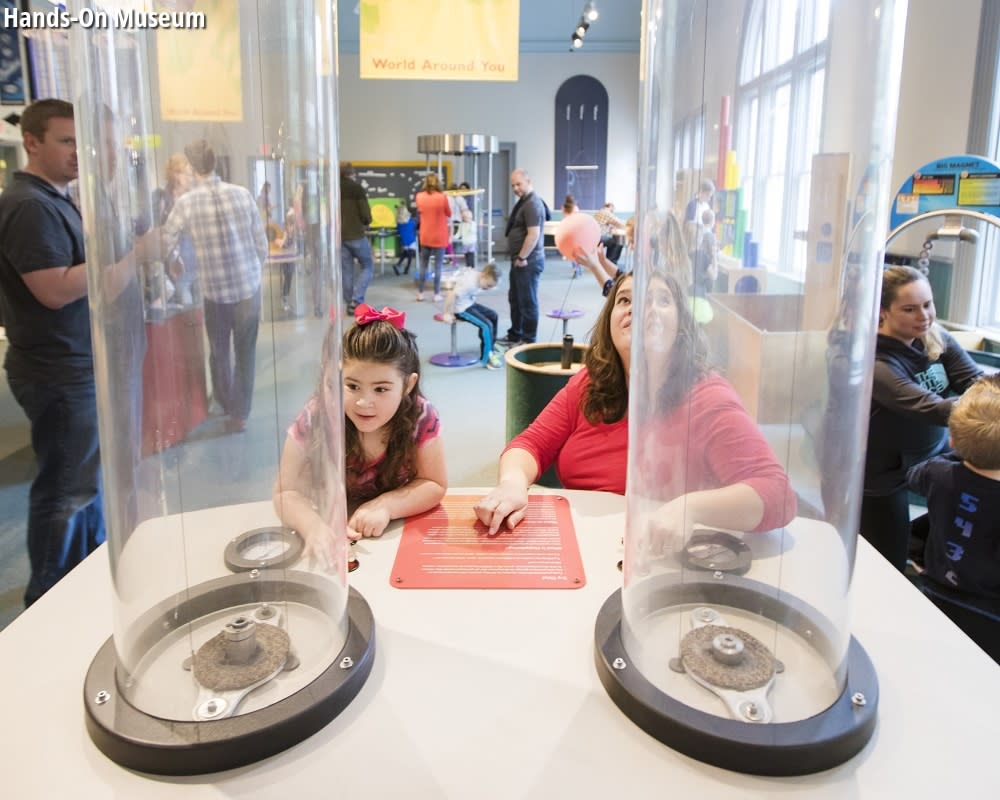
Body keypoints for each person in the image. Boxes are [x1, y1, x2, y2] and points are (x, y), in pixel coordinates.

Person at [474, 271, 796, 540]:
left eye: (661, 300)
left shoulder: (706, 397)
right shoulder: (589, 383)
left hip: (661, 567)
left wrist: (690, 509)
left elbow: (777, 495)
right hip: (586, 545)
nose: (639, 308)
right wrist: (513, 483)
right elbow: (530, 444)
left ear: (682, 325)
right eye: (626, 299)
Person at [0, 99, 151, 605]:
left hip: (73, 364)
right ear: (33, 142)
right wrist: (132, 257)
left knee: (79, 483)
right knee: (66, 488)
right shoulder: (30, 205)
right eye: (66, 141)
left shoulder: (55, 198)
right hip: (59, 370)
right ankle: (47, 596)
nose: (78, 154)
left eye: (82, 143)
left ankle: (73, 580)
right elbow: (55, 288)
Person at [274, 304, 447, 557]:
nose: (364, 402)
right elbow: (284, 491)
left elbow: (434, 483)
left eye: (381, 389)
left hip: (392, 537)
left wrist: (387, 505)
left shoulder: (421, 416)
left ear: (408, 385)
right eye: (352, 386)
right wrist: (312, 527)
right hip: (328, 527)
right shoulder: (316, 415)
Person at [861, 265, 983, 571]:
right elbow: (935, 409)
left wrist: (988, 395)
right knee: (888, 561)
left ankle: (920, 550)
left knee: (971, 508)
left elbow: (975, 381)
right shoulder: (877, 364)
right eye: (909, 309)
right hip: (882, 475)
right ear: (882, 311)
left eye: (927, 305)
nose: (924, 316)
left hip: (933, 452)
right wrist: (987, 404)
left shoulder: (935, 336)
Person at [163, 139, 267, 434]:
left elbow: (166, 240)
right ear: (215, 163)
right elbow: (260, 243)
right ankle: (241, 414)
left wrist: (174, 260)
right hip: (248, 288)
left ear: (194, 168)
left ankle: (225, 401)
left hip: (214, 293)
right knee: (245, 351)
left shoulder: (186, 203)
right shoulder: (242, 194)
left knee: (220, 352)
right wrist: (254, 272)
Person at [907, 375, 999, 599]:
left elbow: (912, 477)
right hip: (988, 607)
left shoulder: (936, 472)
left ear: (952, 441)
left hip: (937, 589)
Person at [499, 168, 546, 345]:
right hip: (519, 260)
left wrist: (522, 257)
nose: (516, 188)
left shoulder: (532, 204)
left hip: (527, 261)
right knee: (516, 299)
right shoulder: (524, 201)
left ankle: (528, 340)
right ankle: (515, 334)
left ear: (528, 181)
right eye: (513, 185)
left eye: (519, 184)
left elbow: (533, 234)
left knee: (528, 302)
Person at [152, 152, 197, 306]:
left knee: (198, 314)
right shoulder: (162, 199)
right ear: (176, 174)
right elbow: (158, 232)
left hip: (197, 266)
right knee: (186, 311)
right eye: (186, 173)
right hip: (177, 268)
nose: (190, 178)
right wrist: (173, 257)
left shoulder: (194, 199)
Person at [441, 262, 502, 370]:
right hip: (461, 310)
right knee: (486, 325)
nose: (487, 289)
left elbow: (467, 271)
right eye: (488, 285)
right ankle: (487, 358)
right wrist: (446, 313)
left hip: (470, 304)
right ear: (484, 276)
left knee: (493, 315)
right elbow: (452, 295)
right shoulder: (469, 283)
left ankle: (490, 346)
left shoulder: (480, 275)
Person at [339, 161, 375, 312]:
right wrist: (367, 221)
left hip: (340, 237)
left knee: (346, 270)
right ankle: (357, 299)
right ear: (351, 173)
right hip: (356, 235)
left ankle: (348, 302)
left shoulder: (334, 188)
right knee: (367, 266)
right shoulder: (357, 189)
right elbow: (366, 215)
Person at [414, 173, 451, 302]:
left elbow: (420, 211)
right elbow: (449, 213)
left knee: (423, 266)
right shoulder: (442, 197)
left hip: (425, 236)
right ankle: (436, 294)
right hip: (439, 237)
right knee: (438, 266)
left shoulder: (419, 197)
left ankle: (420, 293)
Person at [684, 177, 715, 254]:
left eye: (710, 196)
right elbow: (687, 225)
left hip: (703, 241)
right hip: (693, 242)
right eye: (707, 195)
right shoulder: (692, 204)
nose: (709, 198)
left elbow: (709, 223)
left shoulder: (707, 206)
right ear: (701, 191)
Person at [394, 203, 417, 276]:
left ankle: (398, 265)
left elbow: (398, 230)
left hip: (404, 240)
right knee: (410, 254)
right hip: (411, 239)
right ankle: (406, 268)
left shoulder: (398, 222)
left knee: (405, 253)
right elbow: (414, 226)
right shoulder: (410, 220)